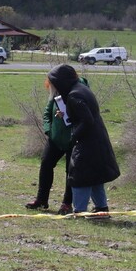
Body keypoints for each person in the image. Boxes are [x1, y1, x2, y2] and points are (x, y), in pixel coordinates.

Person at [46, 64, 119, 219]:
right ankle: (101, 209)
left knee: (79, 175)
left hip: (88, 141)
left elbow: (87, 121)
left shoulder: (74, 96)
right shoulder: (80, 89)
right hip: (97, 138)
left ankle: (79, 211)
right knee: (95, 175)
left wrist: (73, 138)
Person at [25, 74, 89, 215]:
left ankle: (67, 204)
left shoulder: (78, 93)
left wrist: (68, 116)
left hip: (73, 139)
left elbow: (84, 118)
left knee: (70, 171)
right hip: (55, 138)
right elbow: (47, 113)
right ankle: (41, 200)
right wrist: (48, 131)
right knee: (46, 163)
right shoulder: (57, 95)